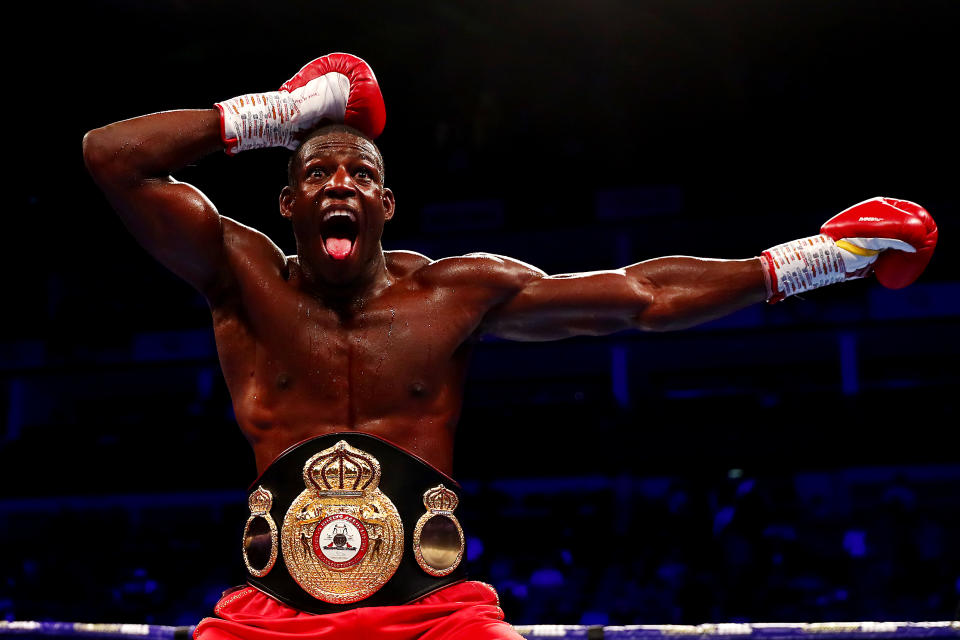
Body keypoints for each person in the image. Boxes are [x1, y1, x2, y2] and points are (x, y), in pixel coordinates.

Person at [82, 53, 937, 640]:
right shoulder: (239, 278)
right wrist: (295, 111)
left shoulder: (454, 294)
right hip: (268, 616)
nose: (340, 183)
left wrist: (826, 257)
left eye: (360, 176)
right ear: (285, 204)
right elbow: (112, 157)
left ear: (387, 206)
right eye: (317, 173)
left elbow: (640, 296)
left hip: (435, 616)